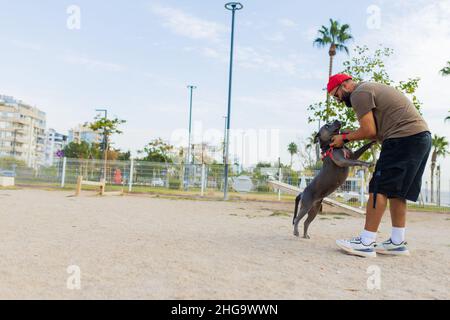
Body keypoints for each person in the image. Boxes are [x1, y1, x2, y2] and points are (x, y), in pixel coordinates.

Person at [327, 74, 431, 258]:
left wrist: (343, 137)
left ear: (344, 85)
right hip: (420, 137)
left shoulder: (359, 93)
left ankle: (365, 243)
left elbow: (369, 130)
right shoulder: (369, 89)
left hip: (402, 138)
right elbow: (373, 133)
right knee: (397, 192)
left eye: (336, 95)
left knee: (378, 188)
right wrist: (346, 135)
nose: (338, 101)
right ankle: (397, 242)